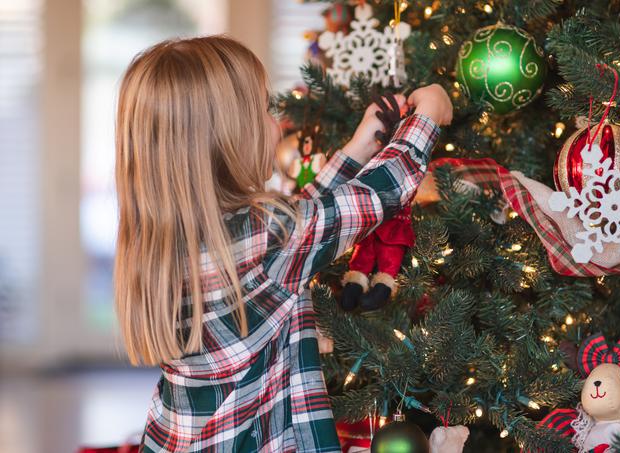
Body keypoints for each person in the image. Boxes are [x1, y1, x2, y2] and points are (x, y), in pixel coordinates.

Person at [113, 35, 452, 452]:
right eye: (265, 108)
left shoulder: (163, 238)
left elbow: (302, 226)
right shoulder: (266, 235)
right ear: (228, 135)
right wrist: (429, 117)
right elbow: (374, 197)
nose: (277, 122)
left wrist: (360, 146)